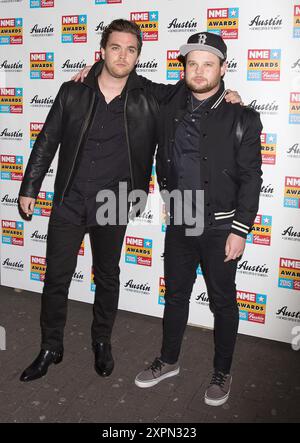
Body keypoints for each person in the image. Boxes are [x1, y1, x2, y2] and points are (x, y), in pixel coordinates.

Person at [19, 19, 241, 382]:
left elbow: (198, 87)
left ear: (138, 56)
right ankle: (50, 347)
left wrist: (231, 95)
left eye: (131, 49)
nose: (123, 55)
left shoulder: (150, 95)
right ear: (102, 51)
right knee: (56, 278)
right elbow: (47, 140)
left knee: (107, 276)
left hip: (115, 201)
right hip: (70, 200)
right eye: (116, 47)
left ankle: (102, 342)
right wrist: (30, 187)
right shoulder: (71, 91)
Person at [134, 32, 263, 407]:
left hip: (222, 226)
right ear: (184, 68)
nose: (200, 70)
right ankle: (169, 360)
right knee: (175, 297)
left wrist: (241, 230)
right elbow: (131, 78)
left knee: (223, 302)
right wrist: (89, 70)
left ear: (223, 68)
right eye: (193, 63)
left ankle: (222, 371)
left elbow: (252, 178)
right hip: (180, 222)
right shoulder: (170, 101)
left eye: (209, 63)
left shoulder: (242, 116)